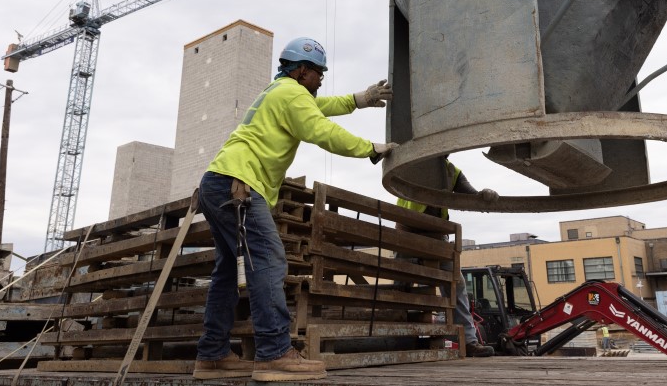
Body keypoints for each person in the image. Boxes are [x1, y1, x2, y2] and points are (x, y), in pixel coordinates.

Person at [194, 37, 397, 382]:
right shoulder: (291, 94)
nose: (321, 79)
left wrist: (358, 100)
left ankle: (213, 355)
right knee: (268, 262)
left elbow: (318, 108)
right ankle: (274, 354)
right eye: (318, 73)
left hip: (219, 182)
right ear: (302, 70)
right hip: (239, 184)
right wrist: (370, 148)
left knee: (228, 271)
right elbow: (320, 129)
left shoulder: (279, 92)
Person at [396, 158, 498, 358]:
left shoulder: (452, 171)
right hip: (409, 232)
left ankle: (468, 341)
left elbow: (470, 195)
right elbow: (396, 182)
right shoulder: (412, 162)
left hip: (437, 234)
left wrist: (483, 195)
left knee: (456, 285)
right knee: (402, 285)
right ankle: (398, 337)